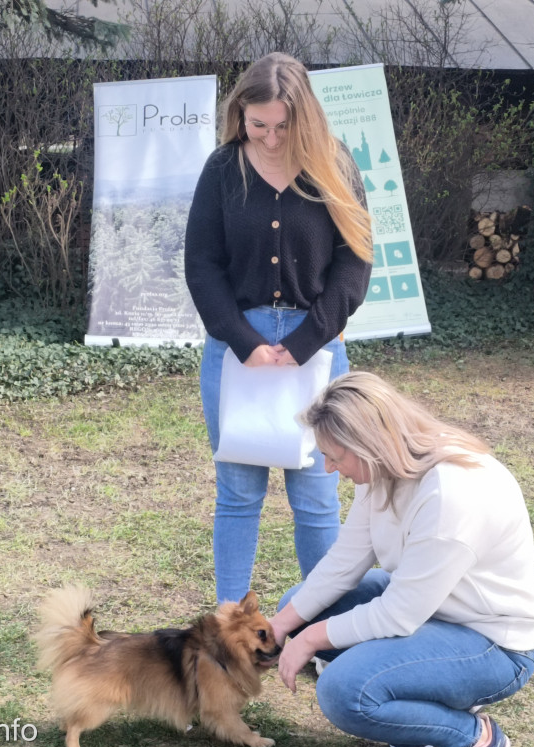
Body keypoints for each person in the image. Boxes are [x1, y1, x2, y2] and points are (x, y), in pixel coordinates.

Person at [269, 372, 534, 747]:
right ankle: (412, 720)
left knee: (344, 691)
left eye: (335, 456)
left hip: (492, 641)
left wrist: (311, 639)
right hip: (430, 607)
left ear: (368, 444)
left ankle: (475, 739)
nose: (329, 468)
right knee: (295, 608)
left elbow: (399, 614)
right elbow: (343, 562)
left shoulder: (453, 493)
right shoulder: (383, 467)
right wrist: (280, 627)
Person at [184, 53, 373, 604]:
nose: (269, 138)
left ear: (305, 117)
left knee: (316, 495)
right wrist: (244, 342)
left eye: (283, 125)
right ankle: (229, 628)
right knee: (238, 495)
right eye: (257, 124)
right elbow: (201, 263)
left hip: (315, 354)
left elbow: (354, 262)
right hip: (235, 352)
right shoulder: (222, 170)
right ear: (240, 114)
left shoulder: (334, 167)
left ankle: (322, 626)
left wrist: (303, 342)